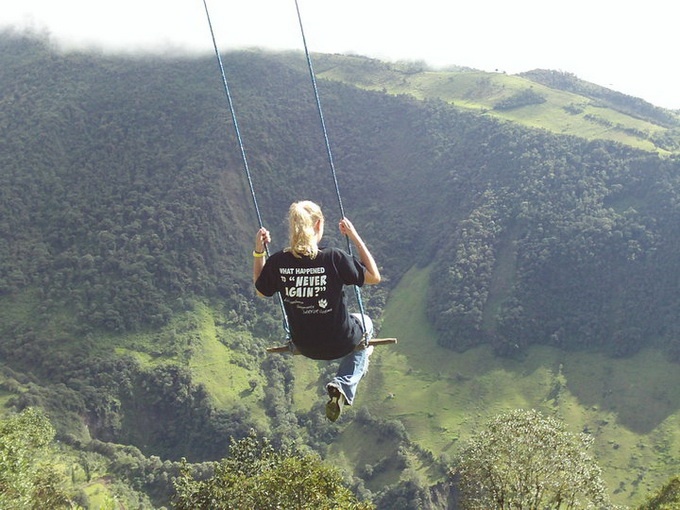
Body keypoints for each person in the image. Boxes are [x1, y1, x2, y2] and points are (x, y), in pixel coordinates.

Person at [253, 200, 381, 421]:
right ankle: (342, 384)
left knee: (355, 329)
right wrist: (354, 236)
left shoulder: (277, 262)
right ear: (319, 224)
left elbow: (261, 291)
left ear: (292, 228)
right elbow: (373, 276)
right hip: (342, 341)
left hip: (305, 344)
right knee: (366, 324)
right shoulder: (334, 258)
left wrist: (258, 252)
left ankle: (341, 387)